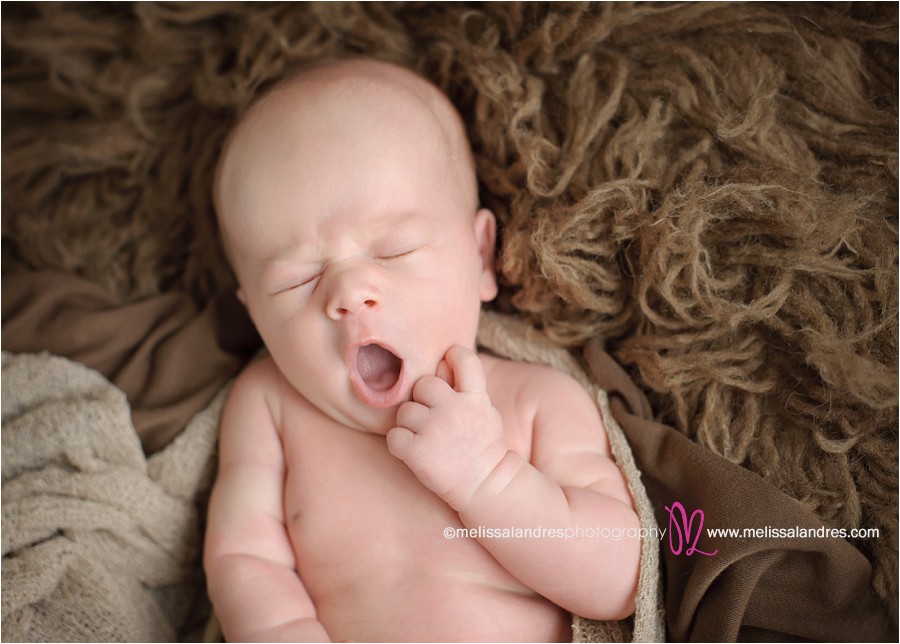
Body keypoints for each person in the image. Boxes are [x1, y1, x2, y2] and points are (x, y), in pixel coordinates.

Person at [203, 57, 641, 643]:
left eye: (393, 251)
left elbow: (618, 579)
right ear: (255, 312)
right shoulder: (269, 408)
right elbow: (245, 560)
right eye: (296, 281)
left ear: (481, 256)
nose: (349, 293)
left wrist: (487, 480)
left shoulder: (536, 402)